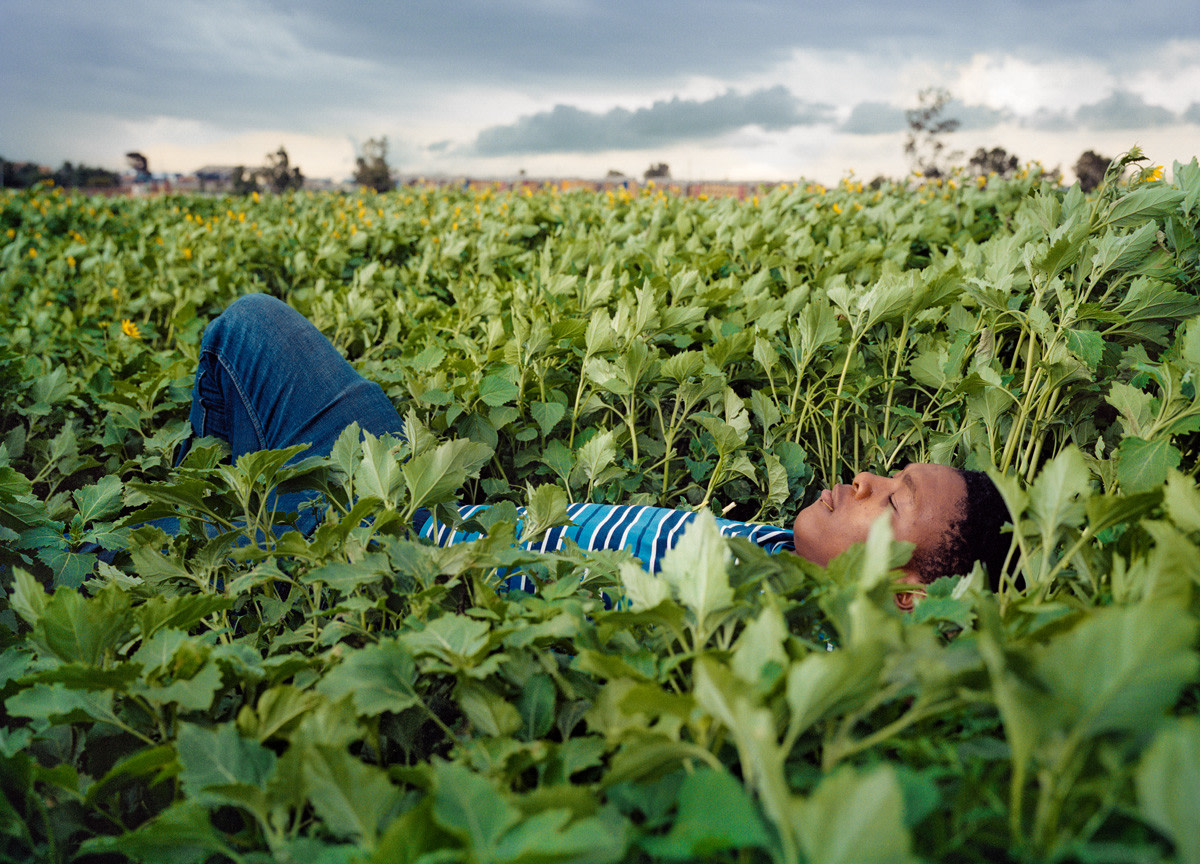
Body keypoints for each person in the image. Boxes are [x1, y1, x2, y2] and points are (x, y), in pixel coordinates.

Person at [181, 293, 1011, 607]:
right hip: (405, 493)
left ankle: (226, 550)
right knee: (266, 339)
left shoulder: (769, 624)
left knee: (248, 331)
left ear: (911, 595)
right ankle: (229, 529)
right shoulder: (773, 551)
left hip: (376, 548)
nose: (864, 478)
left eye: (893, 499)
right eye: (887, 475)